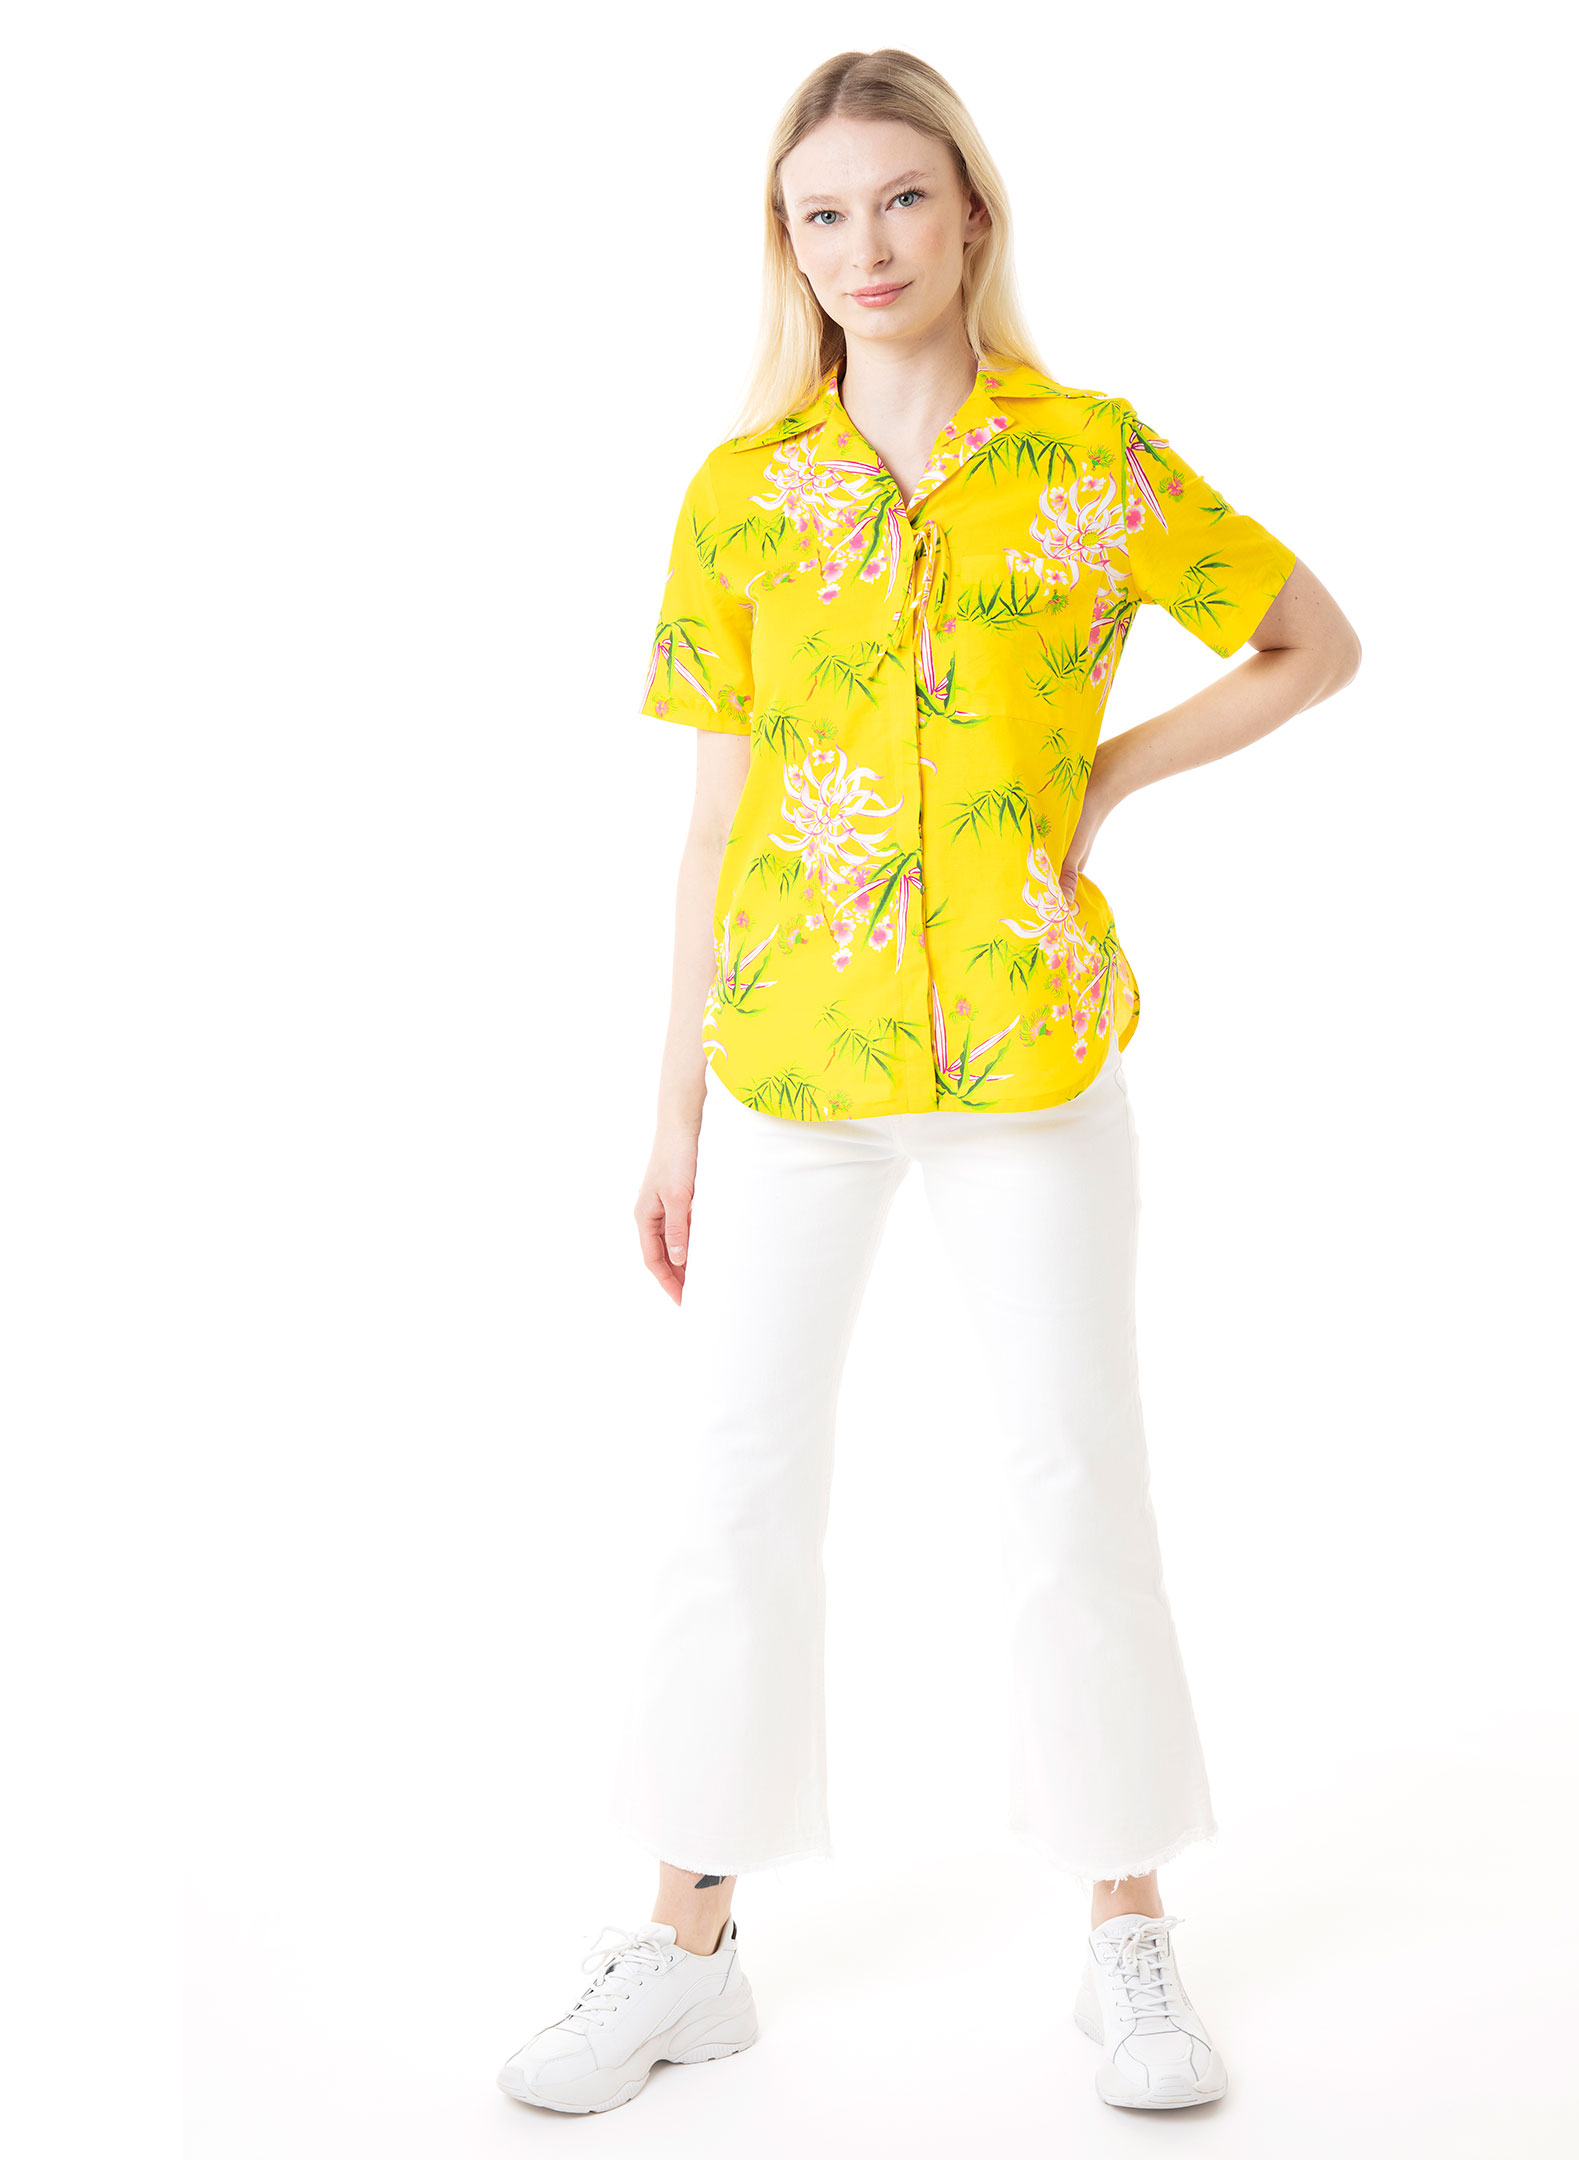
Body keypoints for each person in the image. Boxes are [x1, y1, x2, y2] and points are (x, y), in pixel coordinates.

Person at [498, 46, 1361, 2119]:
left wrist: (1105, 781)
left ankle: (1125, 1933)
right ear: (786, 246)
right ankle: (687, 1948)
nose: (864, 244)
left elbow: (1309, 642)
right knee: (735, 1487)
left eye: (898, 198)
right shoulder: (740, 494)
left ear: (970, 210)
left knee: (1074, 1476)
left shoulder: (1086, 459)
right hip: (790, 1063)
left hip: (1030, 1056)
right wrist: (671, 1114)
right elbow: (714, 822)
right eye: (822, 213)